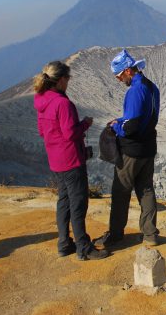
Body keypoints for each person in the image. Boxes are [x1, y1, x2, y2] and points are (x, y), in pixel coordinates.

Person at [33, 61, 109, 260]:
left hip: (55, 160)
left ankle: (64, 243)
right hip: (71, 159)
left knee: (64, 201)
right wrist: (85, 123)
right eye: (68, 79)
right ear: (60, 80)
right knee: (78, 203)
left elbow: (42, 131)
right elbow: (70, 133)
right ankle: (83, 247)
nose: (68, 83)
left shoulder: (42, 100)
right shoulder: (62, 103)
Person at [94, 49, 160, 248]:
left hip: (132, 151)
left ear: (128, 71)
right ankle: (150, 235)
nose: (118, 79)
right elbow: (144, 117)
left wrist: (116, 126)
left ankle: (115, 235)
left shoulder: (135, 91)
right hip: (148, 147)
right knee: (146, 189)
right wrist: (122, 120)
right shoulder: (151, 87)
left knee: (121, 191)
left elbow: (130, 127)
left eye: (119, 75)